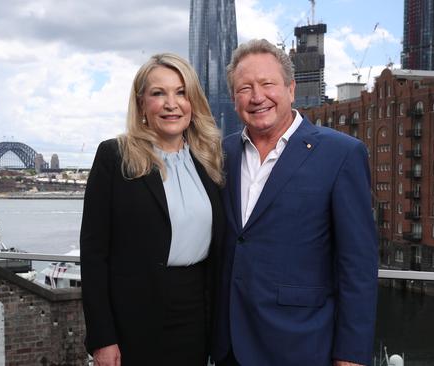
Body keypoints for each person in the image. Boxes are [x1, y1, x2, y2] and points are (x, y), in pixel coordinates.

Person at [212, 39, 378, 366]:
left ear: (291, 89)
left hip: (302, 345)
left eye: (267, 84)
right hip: (229, 347)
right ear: (234, 100)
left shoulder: (341, 154)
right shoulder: (222, 154)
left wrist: (351, 355)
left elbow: (357, 266)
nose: (257, 97)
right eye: (245, 88)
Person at [80, 53, 225, 366]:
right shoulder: (114, 156)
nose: (171, 103)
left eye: (181, 92)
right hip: (135, 320)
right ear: (142, 103)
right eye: (159, 93)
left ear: (193, 102)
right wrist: (103, 338)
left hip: (198, 317)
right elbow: (93, 255)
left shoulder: (210, 159)